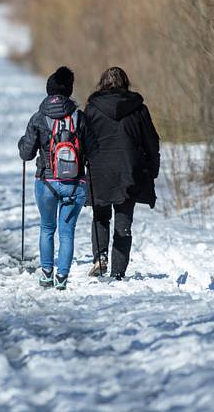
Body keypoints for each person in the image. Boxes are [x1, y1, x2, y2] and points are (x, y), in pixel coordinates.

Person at [18, 66, 96, 290]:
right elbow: (93, 151)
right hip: (75, 184)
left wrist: (22, 142)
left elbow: (26, 153)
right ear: (69, 91)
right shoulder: (80, 117)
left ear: (48, 91)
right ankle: (62, 277)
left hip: (46, 183)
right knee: (67, 231)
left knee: (47, 228)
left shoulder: (39, 118)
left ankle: (46, 274)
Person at [84, 66, 160, 280]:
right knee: (123, 221)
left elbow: (83, 141)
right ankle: (118, 270)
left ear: (102, 83)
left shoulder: (92, 108)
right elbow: (152, 142)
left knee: (100, 217)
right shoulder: (139, 109)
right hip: (130, 170)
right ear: (126, 82)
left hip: (99, 171)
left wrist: (81, 168)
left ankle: (100, 257)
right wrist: (153, 169)